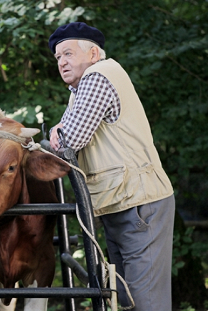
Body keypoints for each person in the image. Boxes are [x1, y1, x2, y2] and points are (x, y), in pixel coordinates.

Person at [48, 22, 175, 310]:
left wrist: (59, 133)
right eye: (58, 58)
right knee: (126, 301)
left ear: (93, 53)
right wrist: (59, 132)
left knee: (146, 303)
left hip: (139, 204)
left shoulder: (99, 75)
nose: (62, 62)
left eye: (67, 53)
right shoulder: (80, 88)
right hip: (124, 202)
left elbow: (69, 139)